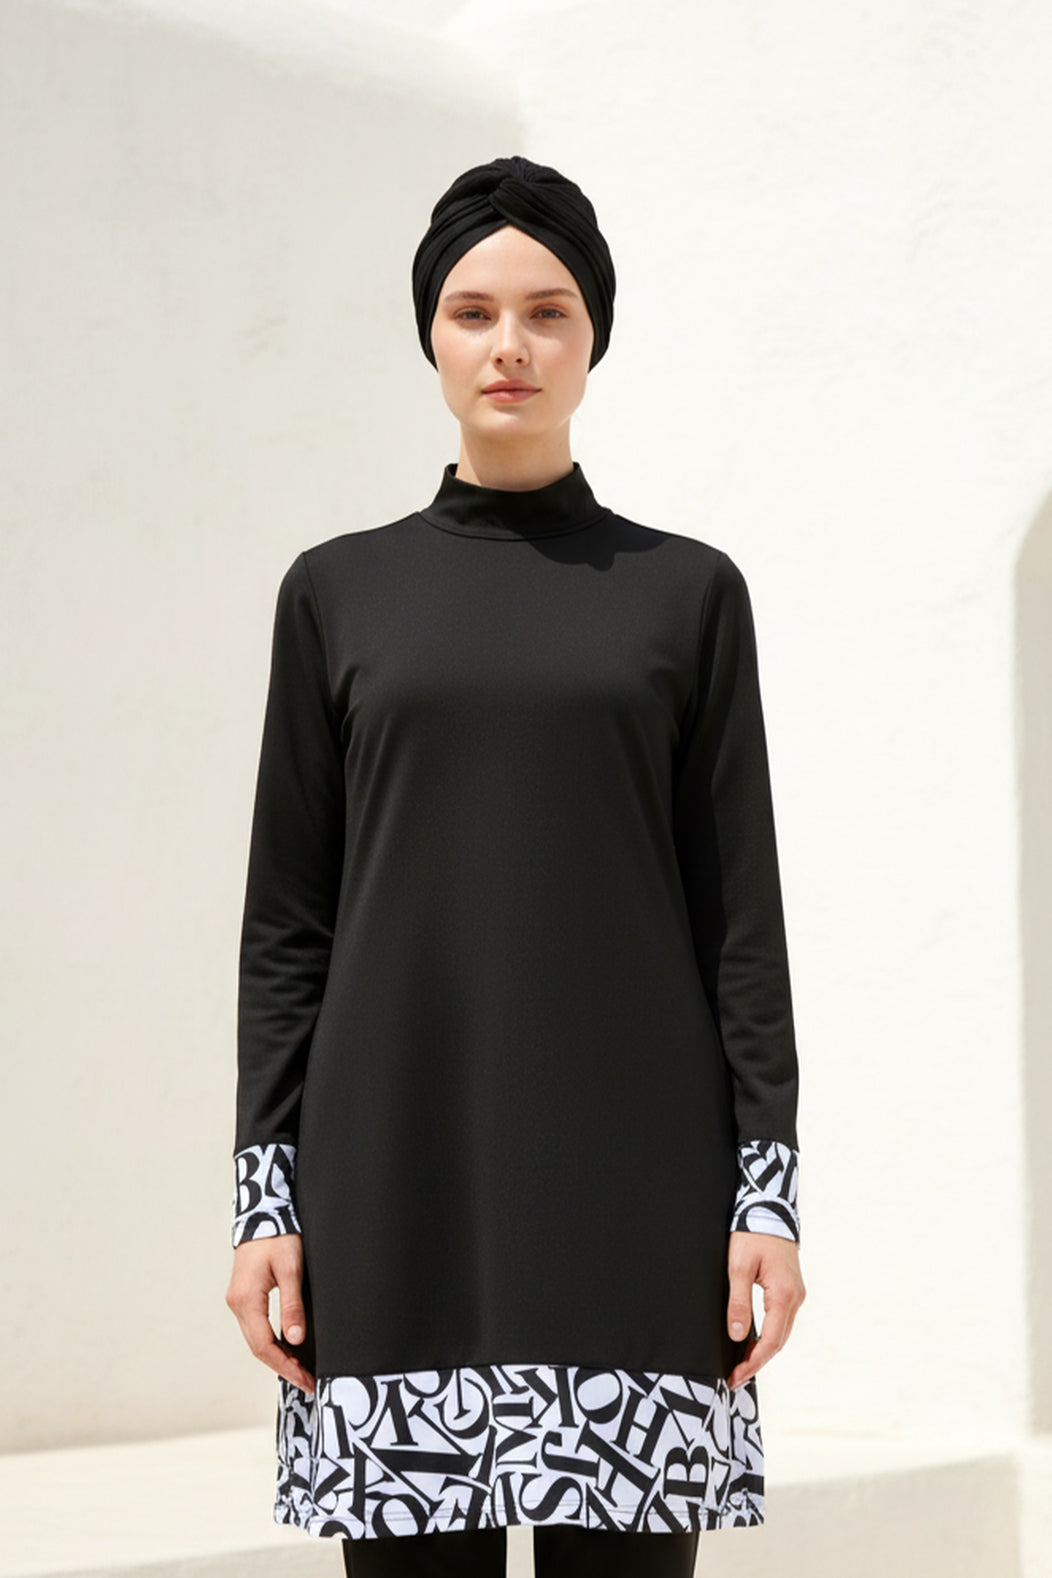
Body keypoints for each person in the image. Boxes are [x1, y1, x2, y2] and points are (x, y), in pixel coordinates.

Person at [225, 154, 806, 1578]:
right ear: (430, 334)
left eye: (549, 312)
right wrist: (265, 1204)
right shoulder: (337, 591)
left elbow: (740, 917)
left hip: (636, 1186)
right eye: (474, 312)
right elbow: (288, 919)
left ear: (593, 337)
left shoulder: (688, 593)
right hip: (393, 1179)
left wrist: (767, 1198)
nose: (511, 347)